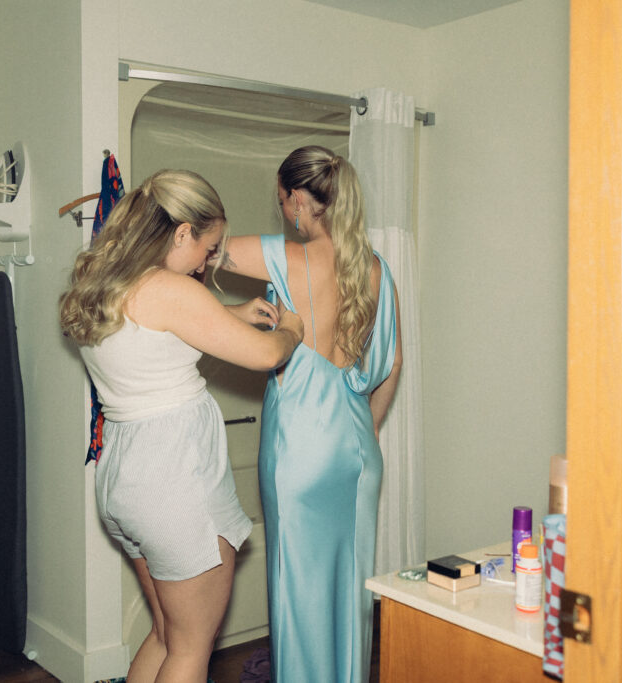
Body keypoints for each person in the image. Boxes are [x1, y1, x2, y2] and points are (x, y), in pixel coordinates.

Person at [59, 169, 304, 683]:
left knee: (168, 636)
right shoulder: (169, 289)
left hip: (124, 479)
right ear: (182, 232)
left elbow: (157, 334)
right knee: (193, 648)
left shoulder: (104, 283)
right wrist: (291, 329)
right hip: (174, 482)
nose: (209, 261)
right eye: (208, 246)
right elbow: (265, 356)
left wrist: (234, 311)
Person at [215, 146, 403, 683]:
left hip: (299, 446)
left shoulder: (282, 256)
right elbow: (390, 368)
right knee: (350, 590)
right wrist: (362, 430)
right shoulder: (375, 269)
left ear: (299, 198)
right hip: (356, 450)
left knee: (297, 589)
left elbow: (198, 253)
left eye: (282, 201)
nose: (282, 213)